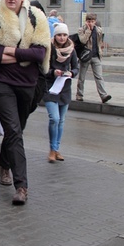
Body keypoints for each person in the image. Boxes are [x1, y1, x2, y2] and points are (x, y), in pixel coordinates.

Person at [0, 0, 50, 206]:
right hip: (1, 81)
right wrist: (21, 53)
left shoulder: (36, 17)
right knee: (13, 130)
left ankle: (3, 164)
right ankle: (21, 187)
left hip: (28, 83)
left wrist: (7, 53)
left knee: (16, 131)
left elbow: (39, 54)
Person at [43, 23, 79, 163]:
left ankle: (57, 149)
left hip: (64, 88)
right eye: (59, 35)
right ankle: (52, 149)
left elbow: (76, 67)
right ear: (55, 35)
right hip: (51, 87)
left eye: (64, 35)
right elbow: (43, 68)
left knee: (61, 121)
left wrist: (71, 73)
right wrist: (53, 72)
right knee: (54, 119)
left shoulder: (71, 50)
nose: (62, 38)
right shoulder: (49, 48)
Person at [76, 12, 112, 103]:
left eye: (92, 21)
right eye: (88, 21)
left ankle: (103, 95)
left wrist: (100, 51)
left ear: (95, 22)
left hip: (96, 56)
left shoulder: (99, 30)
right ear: (86, 21)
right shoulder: (81, 30)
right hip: (85, 56)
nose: (90, 23)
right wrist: (88, 31)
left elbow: (99, 42)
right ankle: (79, 95)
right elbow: (83, 41)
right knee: (82, 77)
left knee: (99, 76)